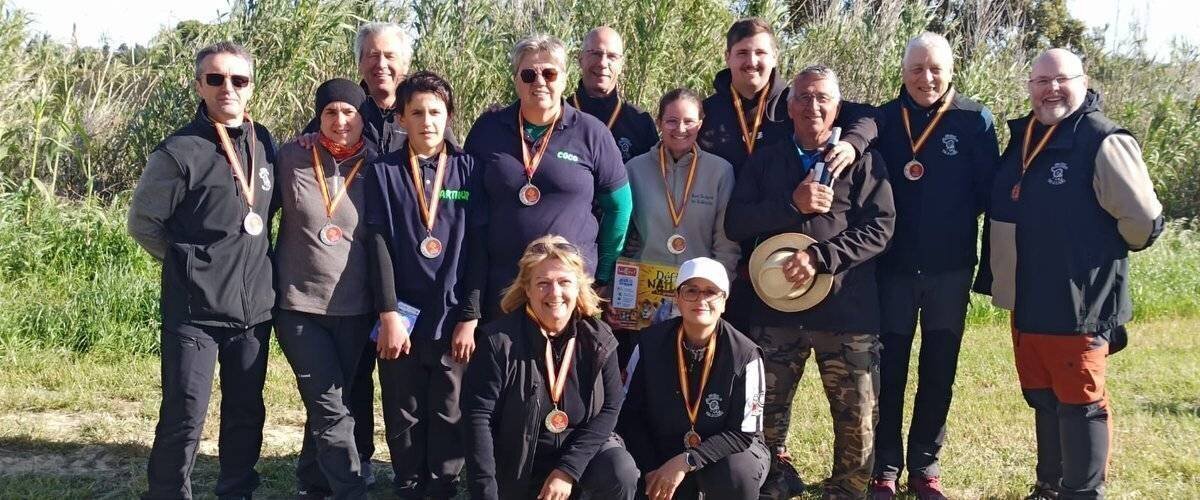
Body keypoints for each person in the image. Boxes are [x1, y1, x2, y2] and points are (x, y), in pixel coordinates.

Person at [986, 48, 1163, 500]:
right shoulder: (1025, 134)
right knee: (1044, 398)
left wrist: (1095, 255)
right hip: (1028, 299)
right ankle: (1049, 486)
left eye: (1061, 79)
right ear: (1029, 88)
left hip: (1077, 303)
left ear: (1083, 82)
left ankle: (1082, 493)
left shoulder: (1102, 138)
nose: (1051, 89)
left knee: (1080, 403)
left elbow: (1142, 219)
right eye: (1041, 81)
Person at [725, 65, 895, 500]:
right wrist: (790, 204)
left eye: (822, 97)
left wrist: (822, 258)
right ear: (789, 104)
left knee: (856, 415)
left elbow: (881, 227)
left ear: (838, 106)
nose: (812, 106)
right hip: (776, 311)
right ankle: (771, 480)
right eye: (803, 97)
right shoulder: (767, 158)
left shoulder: (861, 160)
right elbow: (736, 222)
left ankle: (847, 490)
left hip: (847, 311)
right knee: (764, 412)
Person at [127, 42, 277, 500]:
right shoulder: (178, 151)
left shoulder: (264, 141)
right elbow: (143, 223)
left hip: (253, 314)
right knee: (184, 415)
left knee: (247, 413)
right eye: (215, 78)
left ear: (251, 87)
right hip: (194, 312)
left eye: (238, 79)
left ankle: (236, 491)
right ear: (199, 85)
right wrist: (189, 264)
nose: (227, 88)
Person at [870, 32, 1000, 500]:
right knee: (890, 371)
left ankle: (925, 465)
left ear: (951, 70)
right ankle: (884, 467)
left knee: (939, 369)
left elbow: (991, 195)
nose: (927, 78)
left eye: (936, 69)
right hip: (894, 270)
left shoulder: (974, 120)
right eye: (917, 69)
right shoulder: (884, 119)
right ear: (903, 72)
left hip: (950, 269)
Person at [364, 71, 485, 500]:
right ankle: (409, 483)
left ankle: (444, 486)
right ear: (401, 118)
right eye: (417, 112)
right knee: (403, 407)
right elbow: (376, 243)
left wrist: (470, 316)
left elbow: (479, 248)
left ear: (449, 116)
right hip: (403, 315)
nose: (427, 121)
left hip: (452, 315)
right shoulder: (382, 172)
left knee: (449, 405)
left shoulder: (470, 170)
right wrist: (388, 312)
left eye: (436, 112)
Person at [465, 34, 632, 318]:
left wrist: (602, 275)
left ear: (565, 78)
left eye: (549, 73)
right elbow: (469, 209)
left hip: (569, 291)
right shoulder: (488, 129)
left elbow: (620, 207)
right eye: (528, 74)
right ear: (516, 80)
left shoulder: (592, 133)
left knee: (565, 363)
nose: (539, 82)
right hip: (503, 289)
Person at [462, 235, 639, 500]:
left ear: (579, 286)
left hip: (579, 458)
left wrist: (567, 470)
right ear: (527, 289)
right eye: (543, 283)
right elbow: (478, 419)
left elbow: (611, 408)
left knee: (620, 471)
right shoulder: (498, 342)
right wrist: (486, 492)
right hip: (521, 462)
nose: (555, 293)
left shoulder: (599, 338)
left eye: (564, 282)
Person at [273, 78, 377, 499]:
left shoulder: (379, 165)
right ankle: (351, 489)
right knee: (329, 404)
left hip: (355, 308)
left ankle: (312, 483)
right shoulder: (290, 157)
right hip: (299, 305)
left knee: (334, 399)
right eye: (331, 112)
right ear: (318, 117)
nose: (339, 121)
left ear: (361, 118)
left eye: (349, 112)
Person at [618, 257, 768, 500]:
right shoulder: (648, 343)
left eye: (711, 292)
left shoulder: (746, 353)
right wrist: (650, 468)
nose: (701, 299)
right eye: (691, 291)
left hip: (727, 451)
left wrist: (688, 460)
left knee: (735, 472)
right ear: (677, 297)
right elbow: (630, 414)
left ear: (724, 301)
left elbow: (743, 433)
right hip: (662, 448)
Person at [619, 88, 739, 364]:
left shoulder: (720, 172)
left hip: (699, 300)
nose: (680, 129)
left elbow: (725, 243)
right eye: (671, 121)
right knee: (644, 382)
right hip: (646, 303)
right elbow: (628, 238)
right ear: (659, 122)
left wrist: (718, 295)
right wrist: (622, 297)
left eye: (689, 121)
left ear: (701, 123)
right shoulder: (634, 169)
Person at [697, 17, 874, 177]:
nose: (751, 61)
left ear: (775, 57)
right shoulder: (705, 112)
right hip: (722, 211)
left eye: (760, 52)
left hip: (783, 209)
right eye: (742, 53)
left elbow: (869, 116)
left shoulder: (797, 103)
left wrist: (852, 144)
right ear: (727, 57)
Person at [569, 26, 658, 162]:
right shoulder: (557, 115)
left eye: (612, 56)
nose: (603, 63)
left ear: (622, 65)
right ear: (580, 59)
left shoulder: (640, 122)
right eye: (596, 53)